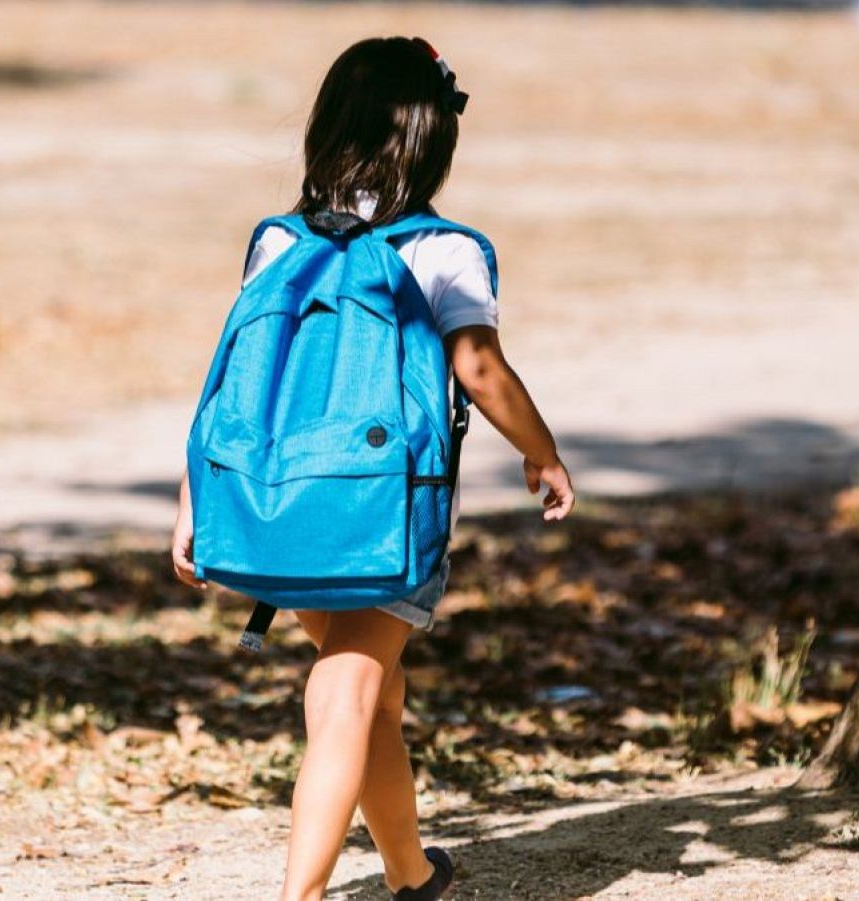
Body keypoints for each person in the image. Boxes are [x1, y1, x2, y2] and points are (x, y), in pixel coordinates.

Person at [170, 36, 575, 901]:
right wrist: (541, 453)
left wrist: (194, 502)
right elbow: (479, 369)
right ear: (435, 143)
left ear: (326, 130)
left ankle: (411, 873)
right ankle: (300, 895)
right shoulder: (445, 251)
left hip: (277, 504)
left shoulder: (278, 241)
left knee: (375, 695)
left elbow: (237, 387)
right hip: (385, 517)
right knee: (349, 690)